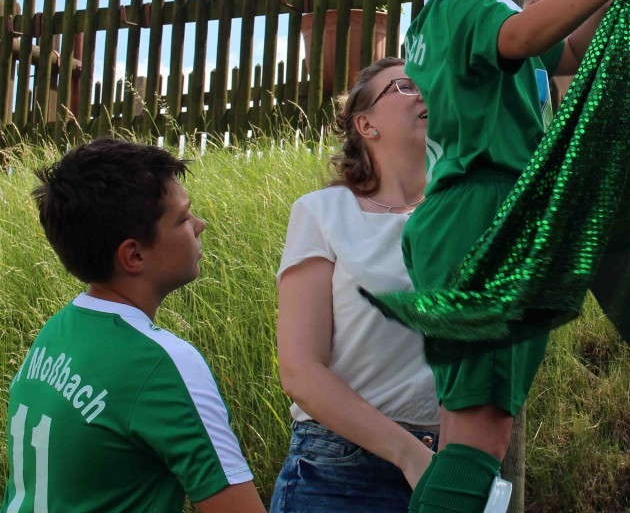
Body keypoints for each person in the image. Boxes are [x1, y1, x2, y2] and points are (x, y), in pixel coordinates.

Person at [383, 0, 630, 512]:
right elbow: (524, 37)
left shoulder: (441, 21)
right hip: (490, 217)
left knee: (464, 425)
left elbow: (556, 49)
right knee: (484, 432)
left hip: (458, 224)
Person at [2, 138, 264, 513]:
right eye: (183, 218)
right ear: (134, 254)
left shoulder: (56, 332)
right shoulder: (163, 365)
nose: (200, 225)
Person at [270, 58, 440, 512]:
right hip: (340, 474)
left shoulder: (459, 214)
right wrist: (409, 455)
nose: (425, 90)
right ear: (366, 124)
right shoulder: (324, 212)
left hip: (453, 465)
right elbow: (300, 371)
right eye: (405, 85)